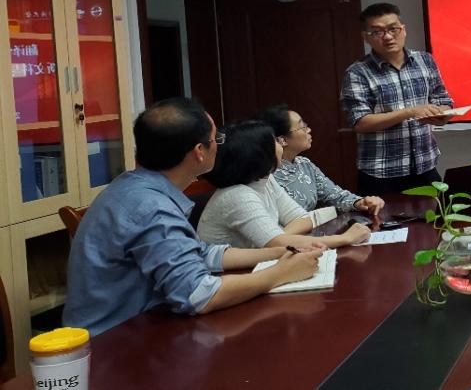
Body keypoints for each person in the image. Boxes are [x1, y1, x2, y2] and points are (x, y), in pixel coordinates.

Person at [64, 98, 322, 336]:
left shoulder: (136, 186)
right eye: (216, 139)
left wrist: (277, 253)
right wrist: (280, 273)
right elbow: (198, 295)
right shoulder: (151, 207)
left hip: (141, 327)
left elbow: (201, 253)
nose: (219, 145)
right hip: (115, 344)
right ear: (199, 151)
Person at [196, 120, 371, 249]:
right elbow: (278, 243)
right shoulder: (236, 195)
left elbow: (303, 219)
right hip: (230, 276)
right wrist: (346, 238)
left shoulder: (265, 180)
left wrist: (278, 237)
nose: (280, 145)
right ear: (259, 154)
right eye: (275, 141)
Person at [341, 2, 454, 195]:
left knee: (439, 214)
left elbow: (444, 100)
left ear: (403, 30)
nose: (388, 36)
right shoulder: (357, 72)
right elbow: (360, 122)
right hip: (381, 174)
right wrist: (410, 112)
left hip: (425, 166)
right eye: (377, 32)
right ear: (366, 37)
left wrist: (442, 114)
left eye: (393, 29)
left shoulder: (425, 61)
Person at [262, 104, 385, 218]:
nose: (308, 130)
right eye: (302, 127)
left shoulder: (304, 164)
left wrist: (360, 202)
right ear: (282, 140)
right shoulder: (268, 176)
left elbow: (335, 195)